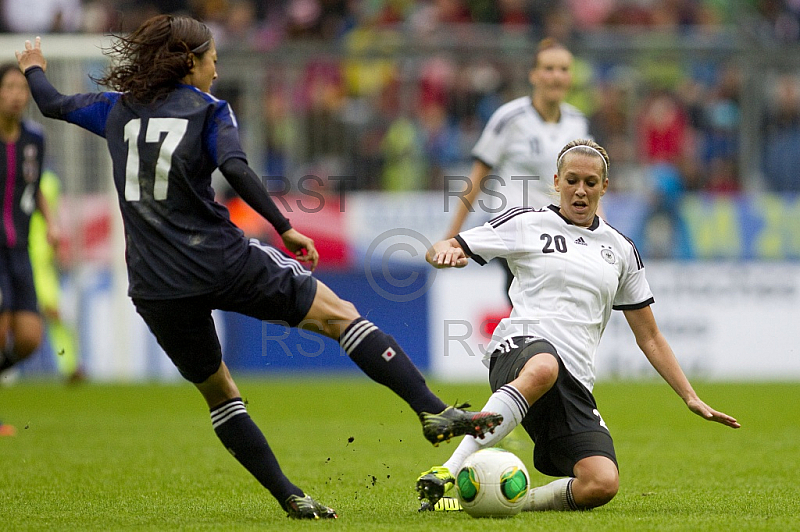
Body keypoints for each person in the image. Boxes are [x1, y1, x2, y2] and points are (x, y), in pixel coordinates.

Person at [16, 16, 503, 520]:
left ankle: (288, 495)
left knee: (221, 394)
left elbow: (53, 104)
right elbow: (235, 168)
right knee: (340, 315)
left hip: (155, 283)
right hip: (219, 259)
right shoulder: (209, 111)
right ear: (190, 63)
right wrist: (284, 225)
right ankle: (430, 408)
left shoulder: (117, 109)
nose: (216, 71)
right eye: (211, 61)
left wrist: (33, 69)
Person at [416, 139, 740, 512]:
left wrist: (690, 396)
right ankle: (446, 471)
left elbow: (649, 336)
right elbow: (444, 247)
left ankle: (503, 502)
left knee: (601, 483)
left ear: (604, 186)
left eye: (590, 182)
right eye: (572, 180)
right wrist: (443, 252)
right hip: (520, 350)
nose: (580, 190)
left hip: (574, 380)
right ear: (556, 181)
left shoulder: (620, 249)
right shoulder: (527, 222)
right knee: (544, 365)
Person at [445, 38, 590, 298]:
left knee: (542, 311)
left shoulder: (577, 123)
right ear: (533, 75)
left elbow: (588, 183)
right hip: (515, 230)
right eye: (549, 68)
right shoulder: (509, 118)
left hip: (557, 234)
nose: (556, 76)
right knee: (535, 301)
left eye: (563, 69)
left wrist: (600, 229)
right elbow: (478, 176)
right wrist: (452, 235)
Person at [0, 62, 57, 382]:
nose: (16, 95)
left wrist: (52, 224)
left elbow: (33, 189)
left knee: (29, 338)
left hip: (20, 246)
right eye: (8, 87)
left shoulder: (34, 139)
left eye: (22, 89)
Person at [29, 169, 83, 383]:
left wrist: (58, 246)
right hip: (16, 252)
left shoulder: (50, 180)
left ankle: (69, 365)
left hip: (41, 258)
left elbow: (53, 215)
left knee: (54, 313)